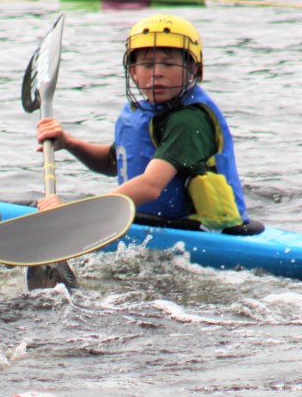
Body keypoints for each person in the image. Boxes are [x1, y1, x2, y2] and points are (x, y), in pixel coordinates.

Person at [34, 13, 256, 233]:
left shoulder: (188, 121)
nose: (157, 73)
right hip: (152, 224)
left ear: (193, 70)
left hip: (198, 232)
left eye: (169, 64)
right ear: (133, 72)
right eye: (147, 65)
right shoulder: (143, 113)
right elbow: (114, 163)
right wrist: (70, 143)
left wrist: (77, 215)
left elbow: (151, 187)